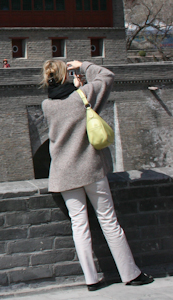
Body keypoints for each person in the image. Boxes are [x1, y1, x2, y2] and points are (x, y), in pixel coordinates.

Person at [41, 60, 153, 291]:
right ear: (66, 76)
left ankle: (91, 280)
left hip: (64, 174)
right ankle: (130, 274)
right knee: (108, 221)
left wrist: (75, 86)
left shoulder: (46, 106)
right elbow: (107, 76)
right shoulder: (83, 96)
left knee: (79, 225)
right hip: (90, 169)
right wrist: (83, 66)